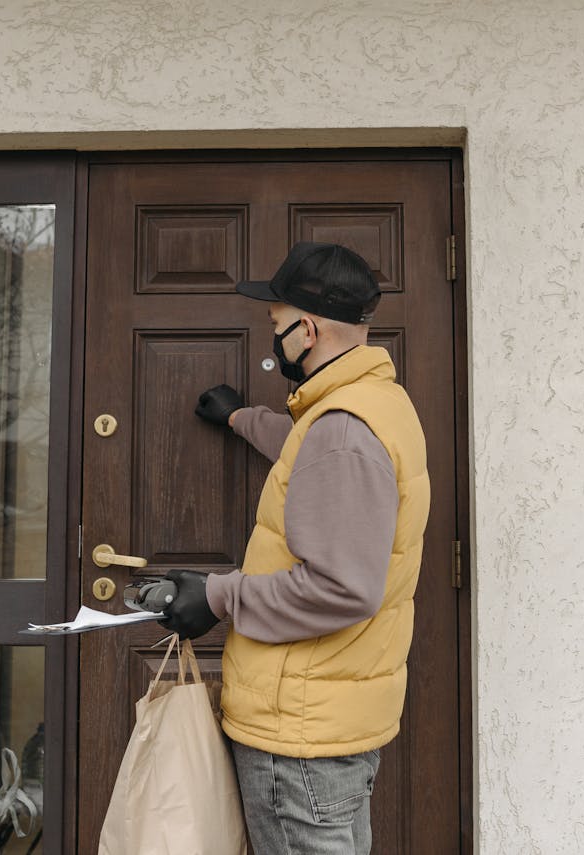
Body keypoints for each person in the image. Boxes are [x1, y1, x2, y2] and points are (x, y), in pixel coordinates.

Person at [159, 241, 430, 855]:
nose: (272, 339)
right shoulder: (373, 403)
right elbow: (313, 451)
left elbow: (341, 586)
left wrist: (217, 596)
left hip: (300, 737)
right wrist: (240, 419)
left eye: (277, 325)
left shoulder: (341, 430)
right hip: (328, 720)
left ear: (306, 330)